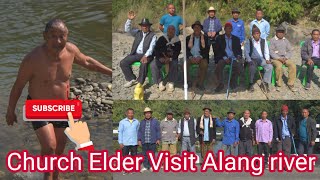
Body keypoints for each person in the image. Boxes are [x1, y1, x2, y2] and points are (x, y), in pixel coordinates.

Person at [5, 19, 112, 180]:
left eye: (62, 36)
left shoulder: (71, 51)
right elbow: (18, 85)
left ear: (67, 36)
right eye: (53, 36)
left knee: (59, 149)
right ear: (44, 36)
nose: (58, 41)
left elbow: (88, 62)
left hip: (63, 108)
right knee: (49, 146)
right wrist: (10, 110)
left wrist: (112, 72)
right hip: (39, 107)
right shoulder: (32, 59)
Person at [120, 11, 157, 88]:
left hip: (147, 55)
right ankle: (132, 79)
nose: (144, 27)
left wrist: (145, 56)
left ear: (149, 26)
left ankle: (140, 82)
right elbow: (127, 30)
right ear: (141, 26)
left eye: (146, 26)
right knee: (123, 62)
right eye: (143, 26)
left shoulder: (153, 35)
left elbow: (151, 48)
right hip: (136, 54)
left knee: (144, 64)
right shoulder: (137, 32)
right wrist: (129, 20)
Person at [151, 25, 181, 92]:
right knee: (153, 64)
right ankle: (159, 82)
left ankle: (171, 82)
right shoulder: (162, 38)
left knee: (174, 64)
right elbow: (156, 49)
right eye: (169, 29)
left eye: (172, 29)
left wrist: (170, 59)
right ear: (167, 31)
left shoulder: (177, 41)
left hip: (171, 58)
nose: (171, 31)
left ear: (175, 31)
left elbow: (177, 52)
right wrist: (160, 57)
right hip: (161, 58)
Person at [214, 22, 242, 92]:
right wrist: (225, 58)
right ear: (224, 29)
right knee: (219, 65)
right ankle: (220, 83)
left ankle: (232, 81)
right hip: (223, 57)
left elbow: (239, 50)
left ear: (232, 29)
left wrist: (238, 56)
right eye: (227, 29)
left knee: (239, 66)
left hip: (233, 58)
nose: (228, 30)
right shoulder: (219, 38)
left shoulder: (236, 39)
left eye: (230, 29)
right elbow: (217, 51)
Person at [245, 26, 272, 92]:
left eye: (258, 33)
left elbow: (266, 51)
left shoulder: (263, 41)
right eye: (255, 33)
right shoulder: (249, 41)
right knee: (252, 68)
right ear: (253, 35)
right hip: (252, 59)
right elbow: (246, 52)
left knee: (269, 66)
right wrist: (249, 60)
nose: (257, 35)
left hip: (261, 59)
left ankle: (265, 83)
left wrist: (267, 59)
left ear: (260, 34)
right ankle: (250, 84)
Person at [270, 25, 296, 92]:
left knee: (293, 65)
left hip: (285, 58)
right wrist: (279, 58)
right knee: (279, 66)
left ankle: (290, 83)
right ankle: (279, 84)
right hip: (275, 58)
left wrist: (286, 57)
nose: (280, 33)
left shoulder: (285, 40)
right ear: (276, 32)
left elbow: (290, 50)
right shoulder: (273, 40)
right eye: (279, 32)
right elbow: (271, 52)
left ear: (284, 33)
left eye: (282, 32)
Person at [186, 21, 209, 90]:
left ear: (201, 29)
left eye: (198, 28)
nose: (197, 29)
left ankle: (200, 83)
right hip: (191, 57)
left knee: (204, 64)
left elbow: (206, 50)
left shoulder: (205, 38)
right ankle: (188, 82)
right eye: (195, 27)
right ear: (193, 29)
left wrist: (200, 57)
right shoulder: (188, 38)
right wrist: (190, 57)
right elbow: (186, 50)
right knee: (184, 65)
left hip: (201, 57)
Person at [138, 107, 161, 172]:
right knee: (145, 154)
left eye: (149, 113)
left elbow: (158, 130)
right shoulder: (142, 122)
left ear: (151, 114)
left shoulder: (155, 121)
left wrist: (158, 139)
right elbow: (139, 131)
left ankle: (151, 166)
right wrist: (139, 139)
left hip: (152, 140)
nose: (148, 114)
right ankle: (145, 166)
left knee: (152, 154)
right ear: (144, 114)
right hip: (144, 140)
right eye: (146, 113)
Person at [118, 108, 140, 175]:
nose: (130, 114)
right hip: (125, 142)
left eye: (132, 113)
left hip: (134, 142)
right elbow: (120, 132)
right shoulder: (122, 122)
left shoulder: (137, 122)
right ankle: (125, 169)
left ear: (133, 113)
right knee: (125, 156)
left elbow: (138, 132)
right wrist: (120, 142)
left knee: (134, 156)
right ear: (126, 113)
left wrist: (138, 140)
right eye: (129, 113)